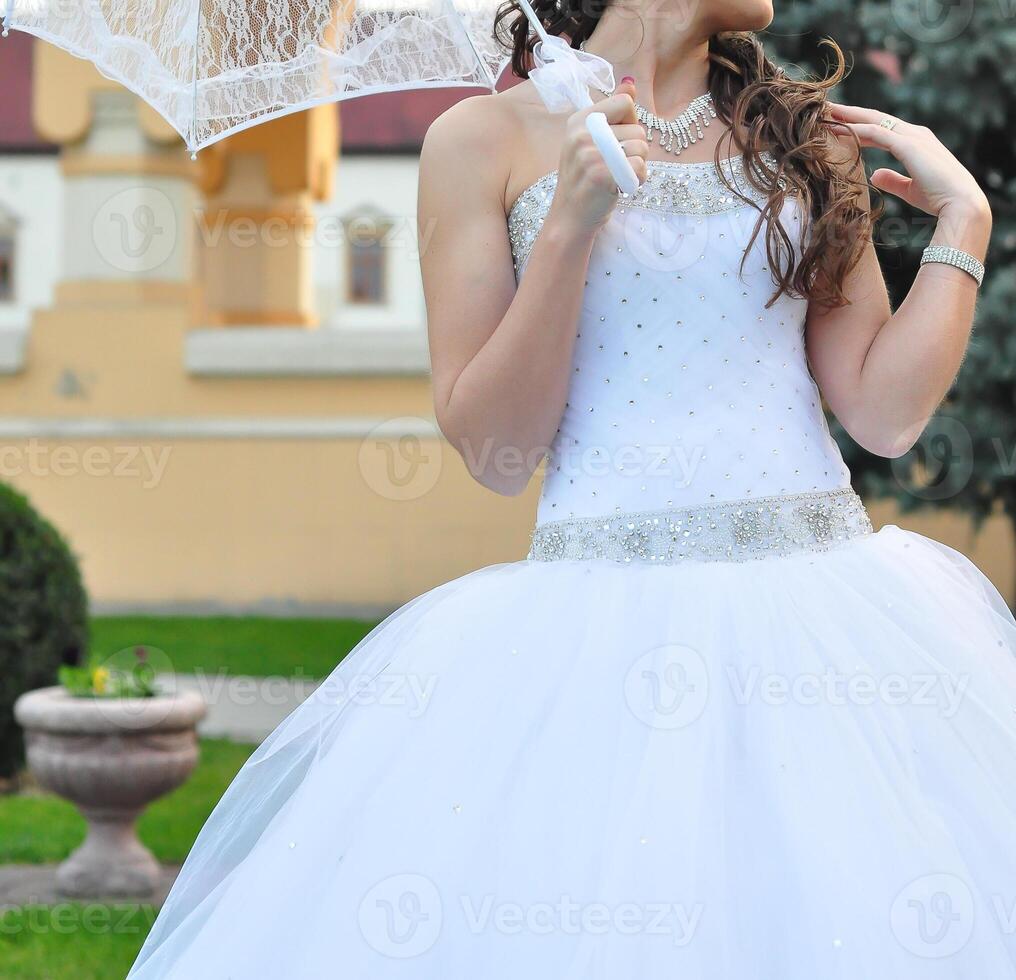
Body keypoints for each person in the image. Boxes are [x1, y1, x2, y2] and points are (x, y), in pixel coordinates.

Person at [128, 1, 1015, 976]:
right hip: (588, 627)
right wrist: (568, 226)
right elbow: (497, 451)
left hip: (824, 617)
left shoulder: (807, 140)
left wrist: (961, 224)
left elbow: (884, 416)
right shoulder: (478, 141)